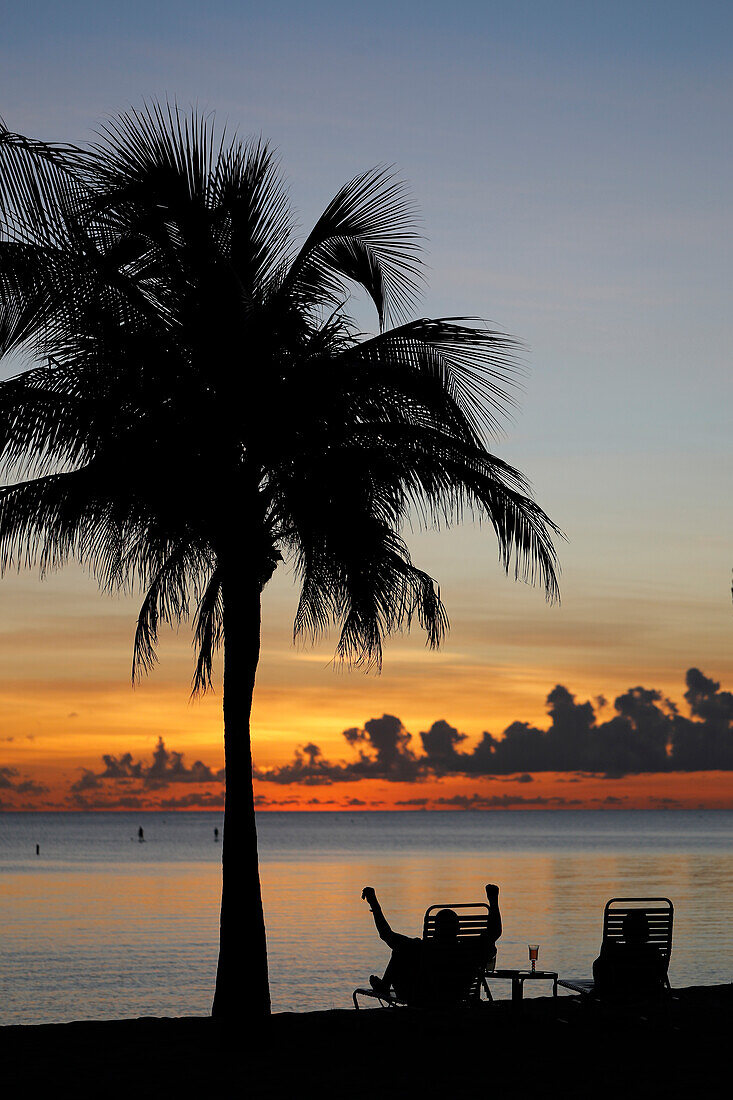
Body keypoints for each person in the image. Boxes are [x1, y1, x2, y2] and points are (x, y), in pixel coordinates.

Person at [362, 883, 502, 1006]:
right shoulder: (469, 949)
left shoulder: (422, 947)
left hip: (422, 998)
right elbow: (494, 933)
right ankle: (384, 986)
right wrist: (494, 903)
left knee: (400, 950)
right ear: (458, 929)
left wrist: (374, 904)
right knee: (402, 949)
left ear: (435, 930)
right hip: (457, 997)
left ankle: (384, 986)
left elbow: (386, 934)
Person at [592, 910, 666, 1002]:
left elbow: (598, 969)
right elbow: (661, 974)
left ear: (624, 931)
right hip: (649, 996)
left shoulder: (617, 951)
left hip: (620, 996)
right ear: (647, 931)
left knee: (599, 964)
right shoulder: (654, 950)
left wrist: (604, 954)